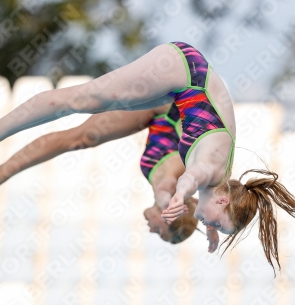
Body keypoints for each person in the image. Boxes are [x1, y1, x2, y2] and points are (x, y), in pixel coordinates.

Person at [0, 41, 295, 273]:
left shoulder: (213, 184)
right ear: (223, 201)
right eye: (214, 222)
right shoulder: (205, 170)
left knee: (83, 131)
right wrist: (183, 196)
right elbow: (192, 177)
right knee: (83, 99)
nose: (152, 230)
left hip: (174, 97)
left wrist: (211, 227)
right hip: (183, 74)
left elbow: (201, 199)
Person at [0, 101, 219, 252]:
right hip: (167, 105)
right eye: (160, 231)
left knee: (78, 138)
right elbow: (170, 195)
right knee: (76, 138)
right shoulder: (169, 185)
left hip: (159, 112)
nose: (151, 230)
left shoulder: (168, 184)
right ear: (167, 214)